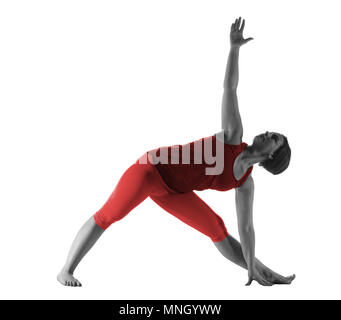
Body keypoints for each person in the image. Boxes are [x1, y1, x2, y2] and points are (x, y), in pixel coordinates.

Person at [57, 17, 295, 287]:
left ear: (271, 157)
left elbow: (247, 229)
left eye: (273, 138)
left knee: (216, 228)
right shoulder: (233, 137)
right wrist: (234, 49)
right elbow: (230, 88)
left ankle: (262, 270)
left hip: (174, 192)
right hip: (151, 170)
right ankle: (66, 269)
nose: (267, 133)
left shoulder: (245, 183)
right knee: (108, 215)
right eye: (271, 132)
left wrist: (252, 263)